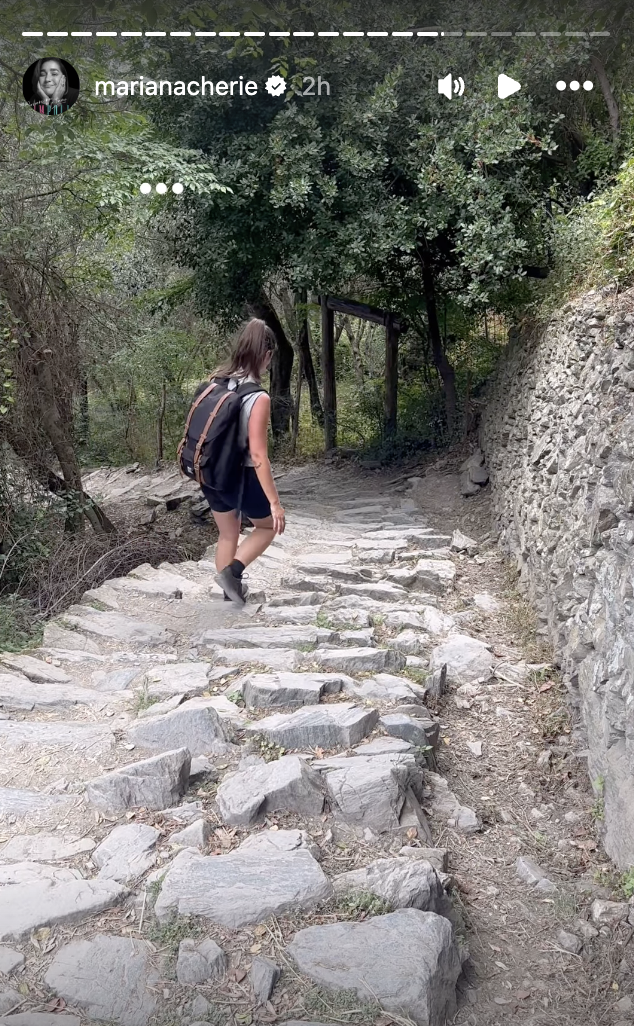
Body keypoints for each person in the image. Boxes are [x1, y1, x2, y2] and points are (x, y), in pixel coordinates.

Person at [202, 317, 286, 604]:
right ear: (267, 355)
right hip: (242, 477)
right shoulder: (258, 397)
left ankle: (229, 593)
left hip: (210, 471)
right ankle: (232, 573)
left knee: (228, 534)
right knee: (266, 527)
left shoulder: (217, 381)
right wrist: (275, 503)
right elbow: (258, 455)